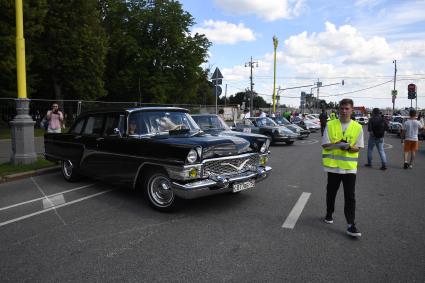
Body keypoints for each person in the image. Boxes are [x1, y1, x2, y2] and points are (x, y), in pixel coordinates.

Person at [321, 98, 364, 237]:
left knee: (350, 196)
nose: (344, 111)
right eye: (342, 108)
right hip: (333, 167)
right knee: (331, 192)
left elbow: (358, 148)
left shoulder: (358, 127)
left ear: (352, 110)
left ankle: (351, 224)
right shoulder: (330, 124)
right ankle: (329, 214)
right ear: (339, 109)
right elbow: (324, 145)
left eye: (347, 108)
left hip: (349, 168)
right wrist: (337, 144)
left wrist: (349, 147)